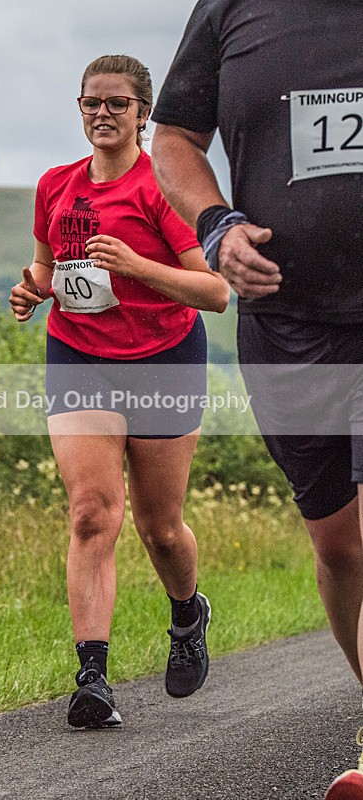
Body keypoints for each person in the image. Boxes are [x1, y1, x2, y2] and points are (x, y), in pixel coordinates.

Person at [150, 2, 363, 796]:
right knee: (340, 547)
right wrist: (218, 225)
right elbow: (175, 137)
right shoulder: (232, 9)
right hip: (287, 329)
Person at [9, 54, 229, 729]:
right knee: (91, 513)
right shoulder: (55, 185)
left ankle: (187, 613)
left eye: (118, 103)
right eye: (91, 102)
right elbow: (48, 266)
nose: (102, 113)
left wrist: (137, 265)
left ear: (142, 113)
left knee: (159, 529)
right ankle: (93, 679)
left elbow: (216, 291)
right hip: (80, 358)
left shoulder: (161, 188)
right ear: (79, 109)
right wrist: (32, 290)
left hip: (164, 359)